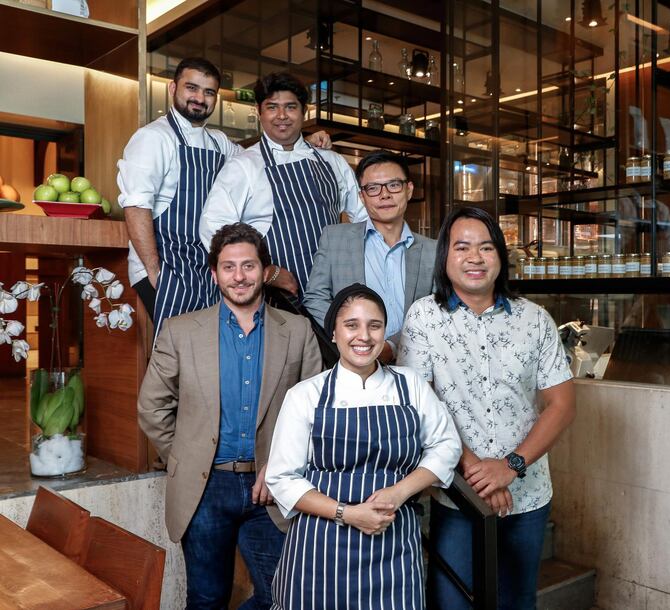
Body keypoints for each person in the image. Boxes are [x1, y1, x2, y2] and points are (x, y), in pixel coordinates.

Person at [397, 207, 576, 610]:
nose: (475, 258)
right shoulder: (424, 317)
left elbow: (562, 405)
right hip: (458, 495)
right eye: (462, 247)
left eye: (486, 247)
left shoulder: (535, 319)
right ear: (445, 256)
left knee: (516, 601)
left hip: (526, 495)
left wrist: (509, 466)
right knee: (452, 602)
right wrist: (478, 472)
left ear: (500, 256)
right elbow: (421, 405)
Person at [137, 222, 322, 608]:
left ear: (264, 270)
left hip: (272, 487)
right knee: (206, 598)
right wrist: (187, 457)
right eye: (229, 267)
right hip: (204, 487)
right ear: (215, 273)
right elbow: (152, 406)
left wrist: (280, 466)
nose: (239, 276)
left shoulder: (299, 331)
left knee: (285, 595)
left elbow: (316, 414)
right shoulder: (180, 331)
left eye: (249, 266)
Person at [265, 284, 461, 610]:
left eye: (375, 325)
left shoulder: (410, 384)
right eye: (351, 325)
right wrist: (349, 514)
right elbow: (282, 478)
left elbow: (446, 446)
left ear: (385, 333)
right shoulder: (305, 395)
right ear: (333, 333)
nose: (364, 336)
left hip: (394, 540)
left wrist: (399, 492)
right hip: (322, 544)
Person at [118, 58, 330, 336]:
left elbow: (262, 156)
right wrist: (155, 272)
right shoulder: (153, 138)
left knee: (206, 353)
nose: (199, 98)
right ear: (172, 88)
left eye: (208, 92)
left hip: (202, 267)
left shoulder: (218, 142)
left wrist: (304, 144)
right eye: (191, 88)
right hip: (168, 266)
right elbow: (136, 206)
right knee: (178, 351)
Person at [199, 72, 367, 298]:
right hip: (274, 296)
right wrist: (269, 272)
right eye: (272, 107)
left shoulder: (331, 160)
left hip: (333, 292)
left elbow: (364, 220)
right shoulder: (243, 166)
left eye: (290, 107)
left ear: (304, 111)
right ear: (259, 112)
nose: (281, 116)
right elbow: (214, 228)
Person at [304, 150, 436, 363]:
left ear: (409, 190)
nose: (384, 195)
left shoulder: (433, 250)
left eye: (394, 185)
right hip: (351, 361)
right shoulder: (335, 238)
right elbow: (315, 297)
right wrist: (355, 336)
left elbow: (436, 311)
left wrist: (392, 345)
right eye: (373, 188)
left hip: (414, 363)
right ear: (362, 196)